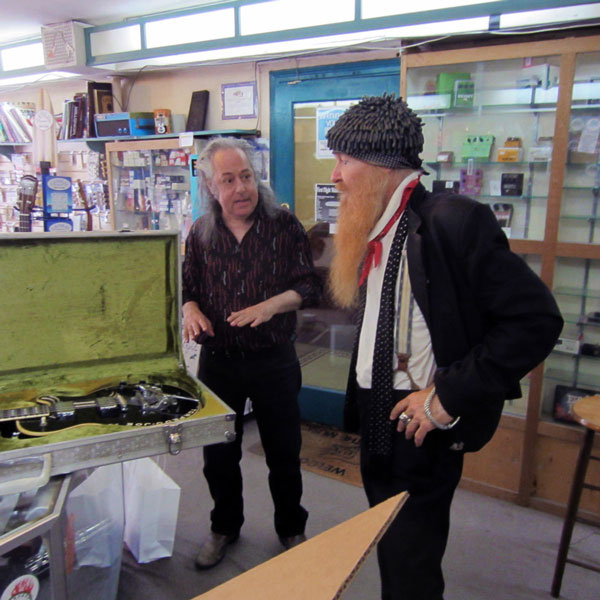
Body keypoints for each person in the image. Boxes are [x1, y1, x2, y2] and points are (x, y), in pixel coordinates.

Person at [325, 94, 563, 600]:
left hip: (421, 417)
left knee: (412, 556)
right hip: (377, 412)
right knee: (388, 538)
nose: (335, 175)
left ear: (383, 163)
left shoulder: (454, 220)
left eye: (344, 160)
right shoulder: (379, 225)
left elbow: (534, 321)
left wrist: (447, 396)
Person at [182, 137, 322, 569]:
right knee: (219, 455)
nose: (241, 187)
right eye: (229, 179)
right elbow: (189, 290)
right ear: (211, 187)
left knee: (284, 451)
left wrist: (271, 305)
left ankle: (291, 528)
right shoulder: (201, 235)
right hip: (219, 362)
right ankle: (224, 527)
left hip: (273, 359)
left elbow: (309, 287)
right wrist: (191, 310)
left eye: (246, 176)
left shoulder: (283, 226)